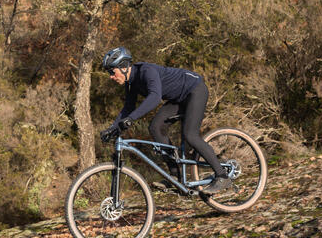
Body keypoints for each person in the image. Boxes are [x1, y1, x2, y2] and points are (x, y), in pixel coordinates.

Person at [99, 46, 233, 194]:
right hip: (178, 99)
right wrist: (113, 128)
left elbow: (155, 97)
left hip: (195, 90)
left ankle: (222, 176)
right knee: (155, 127)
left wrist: (131, 119)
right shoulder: (131, 83)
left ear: (124, 67)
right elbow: (127, 108)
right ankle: (175, 176)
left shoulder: (146, 71)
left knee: (190, 135)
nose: (111, 76)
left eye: (112, 71)